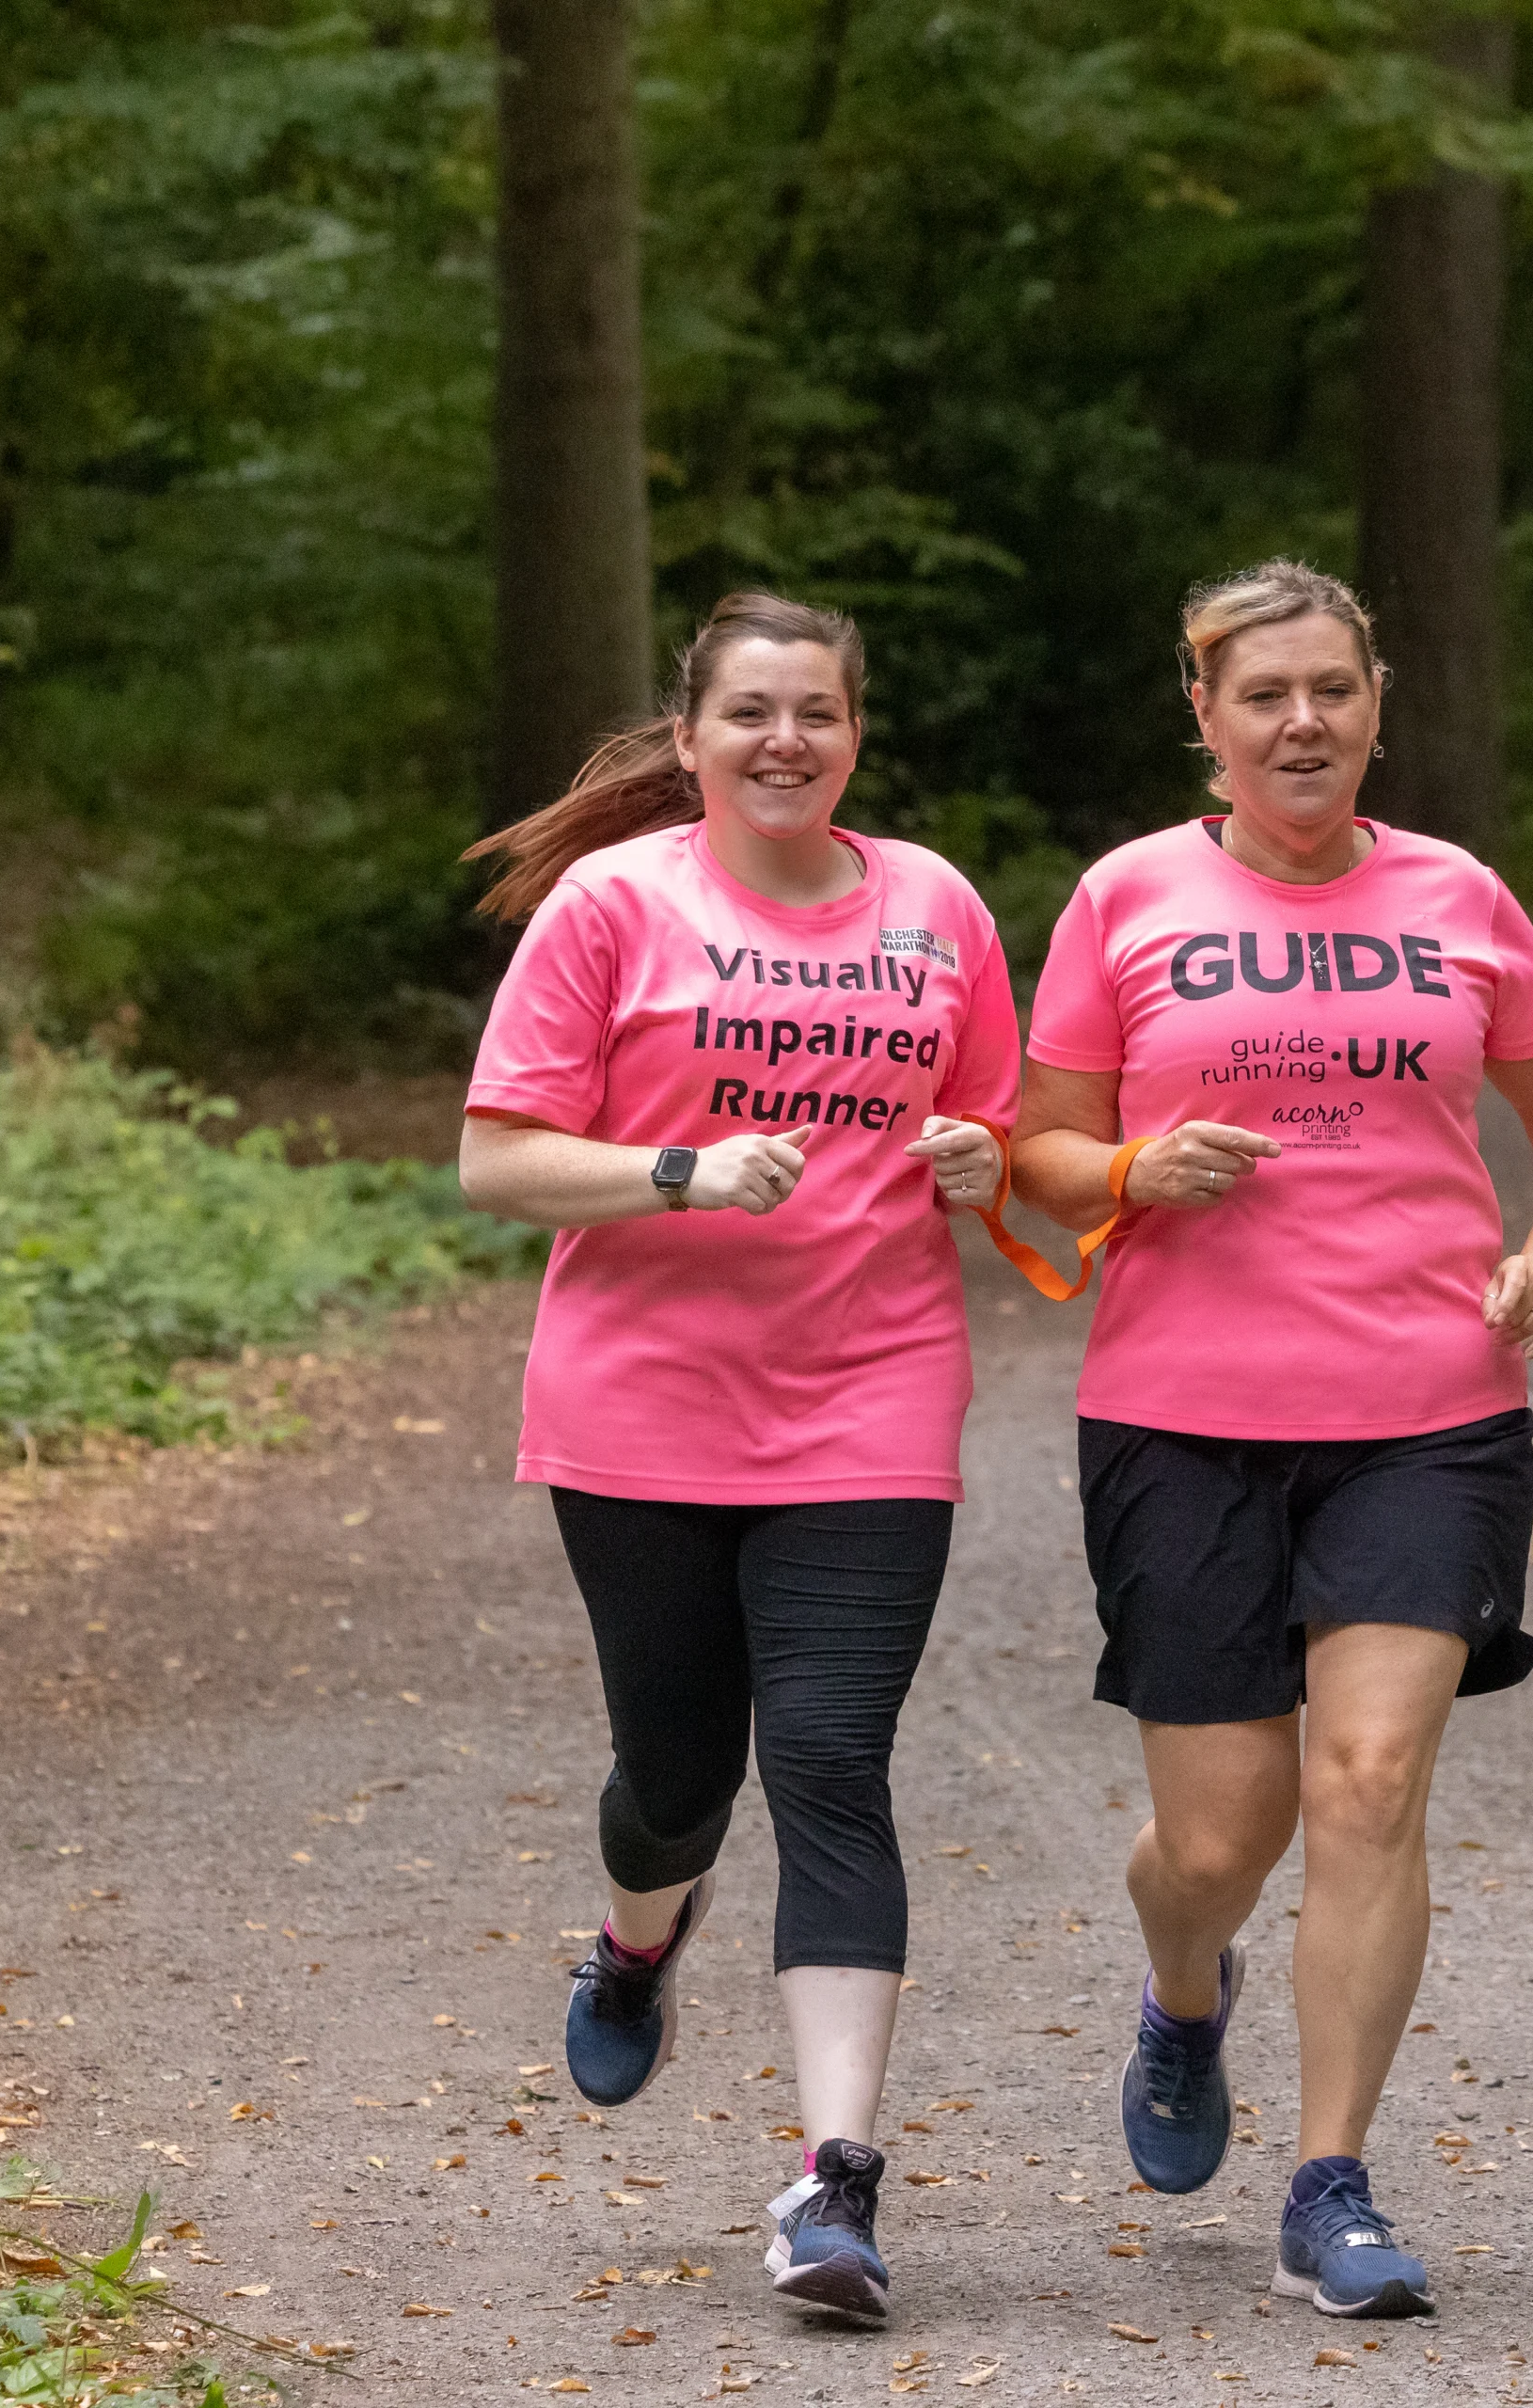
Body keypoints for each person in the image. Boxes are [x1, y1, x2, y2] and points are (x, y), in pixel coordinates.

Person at [1011, 560, 1533, 2321]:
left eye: (1332, 691)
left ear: (1376, 707)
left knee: (1369, 1783)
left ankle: (1330, 2182)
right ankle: (1181, 1987)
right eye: (1263, 692)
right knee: (1223, 1837)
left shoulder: (1459, 896)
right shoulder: (1128, 895)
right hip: (1181, 1420)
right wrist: (1134, 1169)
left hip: (1428, 1415)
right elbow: (1042, 1144)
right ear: (1201, 713)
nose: (1302, 721)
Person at [456, 592, 1015, 2326]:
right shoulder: (613, 903)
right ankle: (638, 1941)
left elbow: (993, 1124)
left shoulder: (937, 907)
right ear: (691, 738)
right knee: (676, 1778)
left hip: (870, 1396)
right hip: (643, 1404)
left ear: (857, 734)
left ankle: (835, 2186)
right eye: (753, 713)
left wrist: (987, 1165)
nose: (788, 741)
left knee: (834, 1763)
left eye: (821, 713)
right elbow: (495, 1160)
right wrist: (679, 1174)